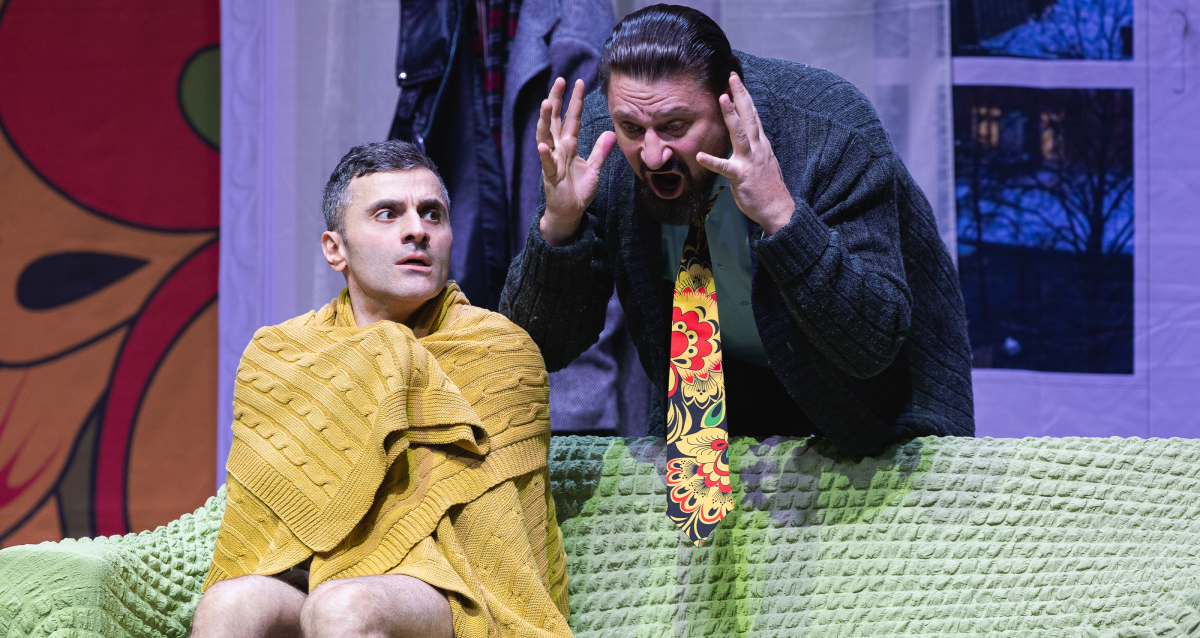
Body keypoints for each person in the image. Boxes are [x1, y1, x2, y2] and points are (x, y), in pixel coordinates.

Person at [500, 4, 975, 464]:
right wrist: (559, 227)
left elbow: (871, 344)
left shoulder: (829, 128)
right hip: (715, 409)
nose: (652, 154)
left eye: (675, 126)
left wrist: (782, 216)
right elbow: (537, 350)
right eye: (632, 127)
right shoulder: (597, 149)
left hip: (879, 412)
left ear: (727, 102)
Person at [192, 141, 570, 638]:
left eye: (432, 214)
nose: (417, 230)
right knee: (229, 603)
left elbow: (499, 541)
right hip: (314, 578)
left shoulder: (498, 349)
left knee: (344, 607)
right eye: (388, 214)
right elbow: (263, 531)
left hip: (460, 590)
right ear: (336, 249)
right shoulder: (281, 354)